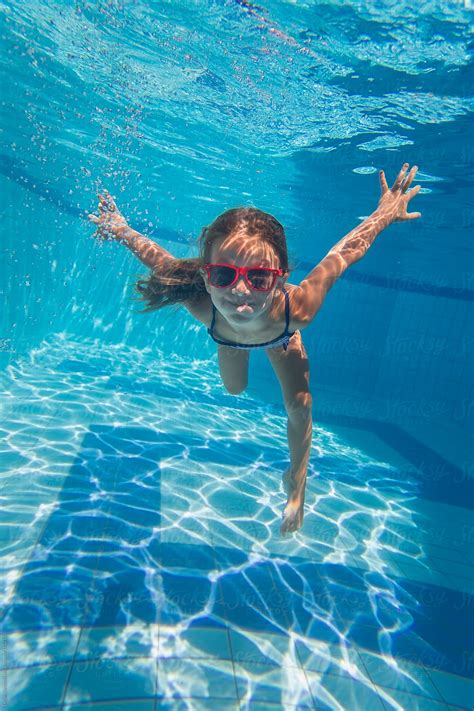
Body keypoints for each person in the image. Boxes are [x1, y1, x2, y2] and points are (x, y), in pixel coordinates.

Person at [88, 163, 421, 535]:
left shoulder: (299, 311)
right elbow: (157, 259)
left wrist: (382, 214)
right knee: (234, 388)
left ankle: (297, 481)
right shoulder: (202, 304)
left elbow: (341, 256)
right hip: (227, 337)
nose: (240, 291)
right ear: (205, 276)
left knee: (300, 405)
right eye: (224, 275)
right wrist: (120, 229)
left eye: (259, 277)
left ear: (281, 278)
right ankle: (240, 346)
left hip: (280, 338)